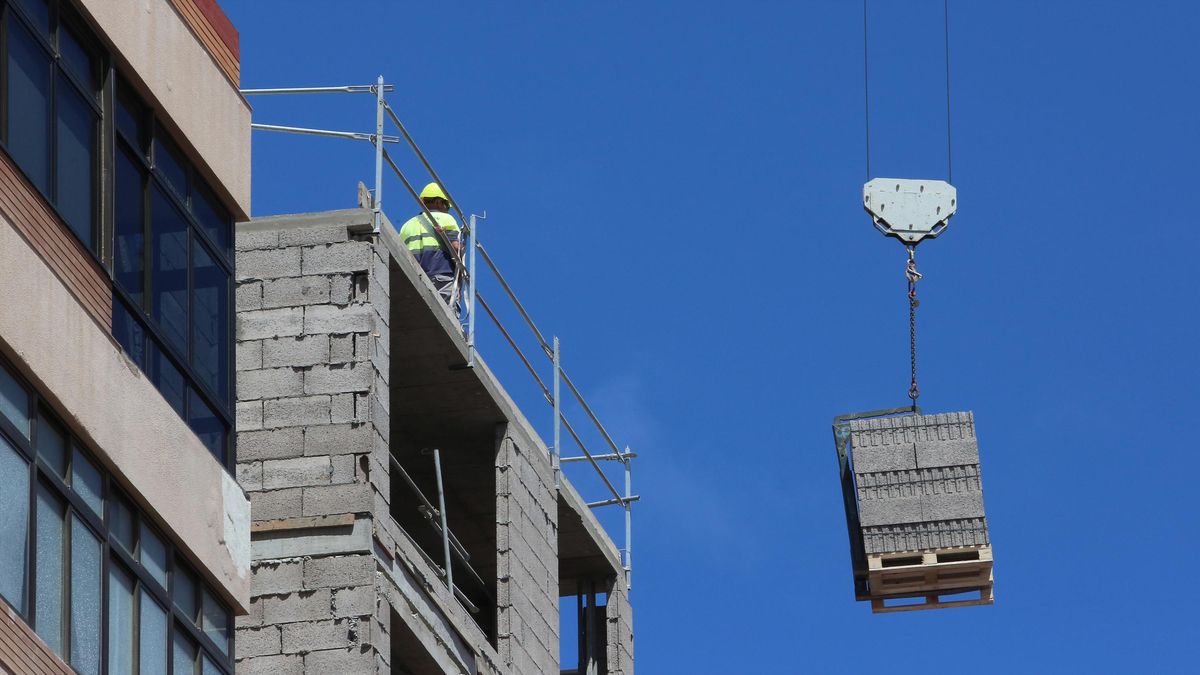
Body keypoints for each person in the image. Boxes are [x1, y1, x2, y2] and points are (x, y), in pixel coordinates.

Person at [398, 183, 462, 307]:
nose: (447, 209)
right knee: (447, 316)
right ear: (439, 202)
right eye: (446, 206)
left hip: (413, 277)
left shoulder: (407, 225)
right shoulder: (445, 218)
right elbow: (456, 248)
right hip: (440, 276)